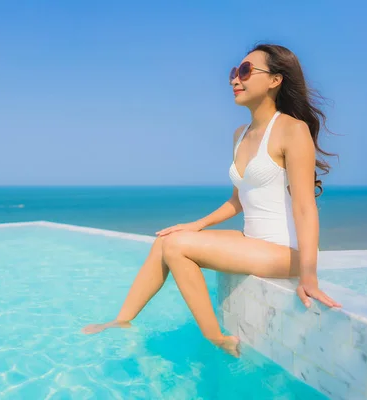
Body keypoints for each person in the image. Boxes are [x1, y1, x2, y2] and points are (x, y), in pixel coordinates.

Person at [81, 43, 341, 357]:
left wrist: (308, 275)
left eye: (245, 71)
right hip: (254, 241)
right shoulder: (240, 135)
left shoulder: (292, 130)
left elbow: (304, 206)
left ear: (275, 80)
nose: (235, 79)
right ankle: (121, 321)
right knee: (169, 239)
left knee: (178, 247)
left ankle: (216, 337)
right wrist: (196, 225)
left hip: (290, 253)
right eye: (234, 72)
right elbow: (238, 200)